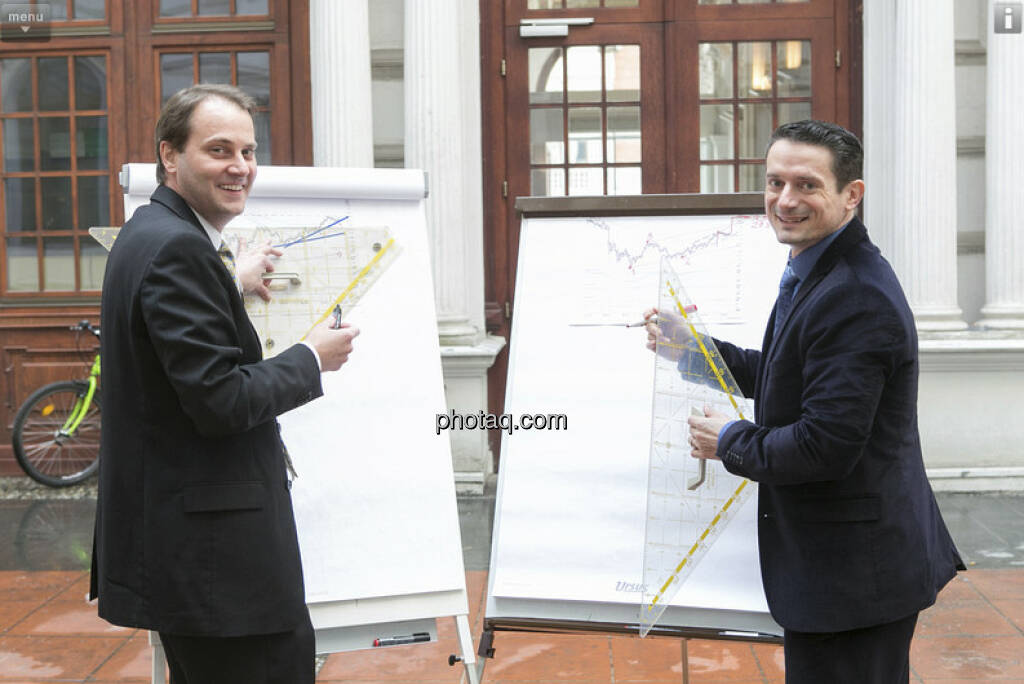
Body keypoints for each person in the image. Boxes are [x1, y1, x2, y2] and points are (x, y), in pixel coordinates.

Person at [645, 120, 963, 683]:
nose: (785, 201)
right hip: (845, 566)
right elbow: (785, 375)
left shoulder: (855, 295)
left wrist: (730, 441)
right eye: (774, 183)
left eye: (806, 185)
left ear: (851, 195)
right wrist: (693, 351)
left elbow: (824, 447)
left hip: (856, 574)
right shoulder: (820, 270)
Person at [90, 83, 360, 683]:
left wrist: (229, 282)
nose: (240, 167)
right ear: (170, 155)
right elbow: (219, 400)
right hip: (220, 568)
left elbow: (162, 341)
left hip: (191, 554)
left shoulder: (150, 234)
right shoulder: (178, 251)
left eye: (248, 151)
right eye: (218, 150)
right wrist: (311, 358)